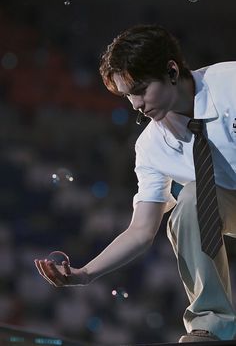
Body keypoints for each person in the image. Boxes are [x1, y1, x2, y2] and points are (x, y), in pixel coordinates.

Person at [35, 24, 236, 343]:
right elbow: (141, 230)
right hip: (229, 204)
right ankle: (211, 325)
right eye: (127, 95)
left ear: (171, 70)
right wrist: (85, 274)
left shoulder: (229, 82)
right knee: (191, 199)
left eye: (141, 89)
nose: (135, 104)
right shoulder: (150, 147)